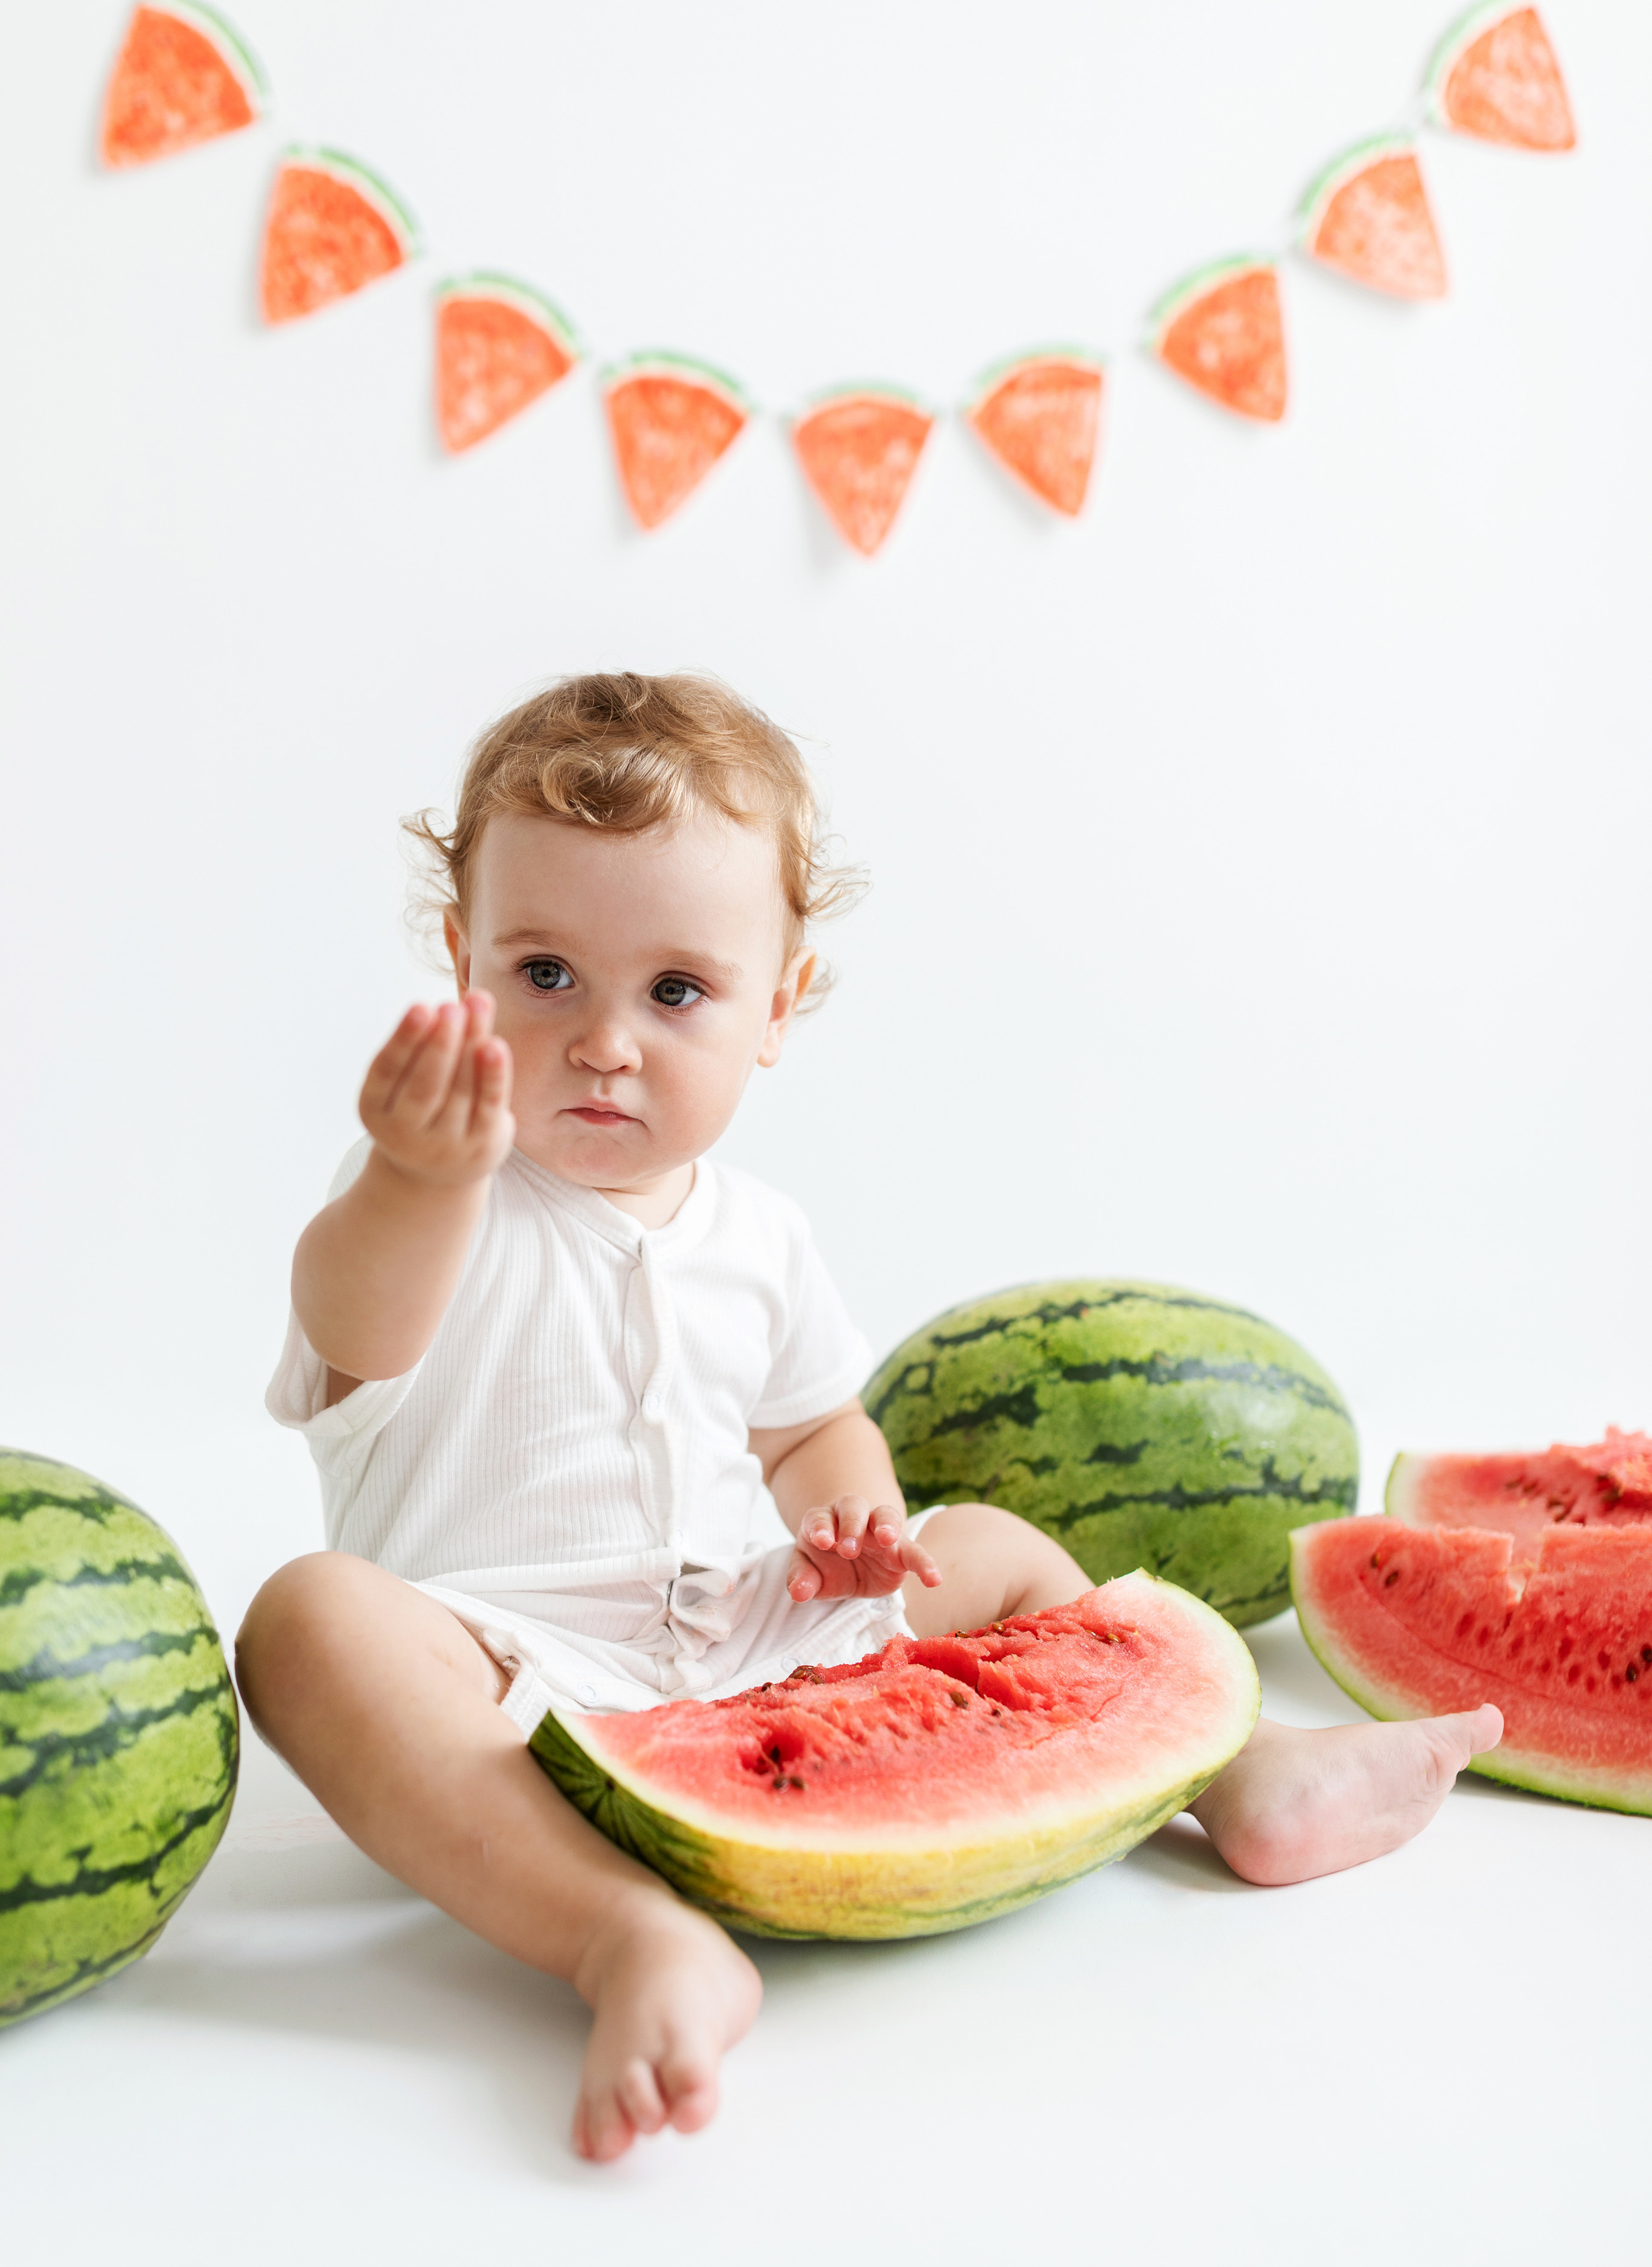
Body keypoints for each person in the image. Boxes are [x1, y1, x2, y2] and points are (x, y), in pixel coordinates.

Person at [237, 673, 1502, 2163]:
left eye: (677, 991)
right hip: (512, 1672)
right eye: (545, 975)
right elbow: (355, 1325)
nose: (604, 1042)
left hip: (756, 1633)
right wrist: (411, 1177)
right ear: (462, 965)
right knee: (307, 1621)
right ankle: (621, 1939)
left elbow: (810, 1433)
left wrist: (856, 1521)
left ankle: (1236, 1771)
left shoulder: (758, 1235)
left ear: (777, 1008)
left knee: (991, 1545)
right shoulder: (423, 1200)